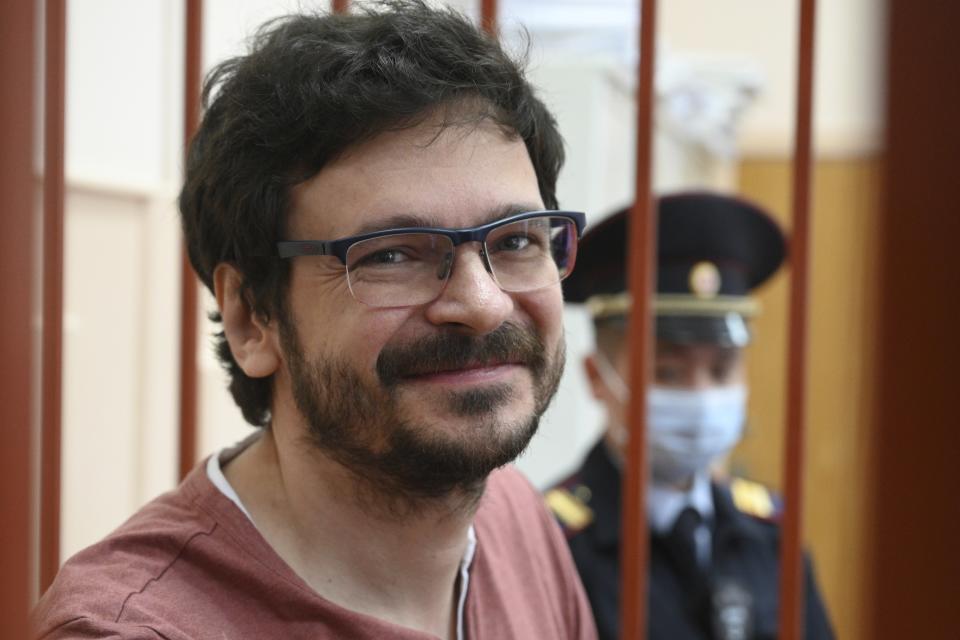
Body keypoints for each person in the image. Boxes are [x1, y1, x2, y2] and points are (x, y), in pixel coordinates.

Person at [33, 3, 598, 639]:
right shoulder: (138, 630)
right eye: (391, 255)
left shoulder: (513, 518)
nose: (482, 302)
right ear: (254, 318)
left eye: (517, 241)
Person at [548, 193, 834, 640]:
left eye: (721, 370)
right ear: (597, 378)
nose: (702, 397)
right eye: (668, 372)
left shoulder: (770, 533)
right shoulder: (554, 546)